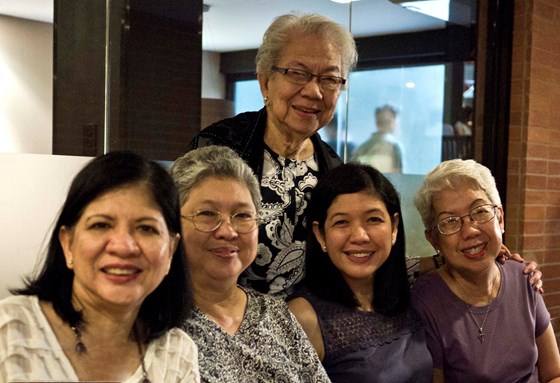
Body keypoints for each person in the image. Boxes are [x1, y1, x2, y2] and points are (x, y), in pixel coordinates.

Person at [187, 13, 358, 297]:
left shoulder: (333, 168)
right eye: (298, 73)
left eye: (329, 79)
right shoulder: (219, 148)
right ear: (265, 82)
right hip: (221, 317)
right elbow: (190, 242)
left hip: (304, 326)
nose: (314, 91)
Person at [0, 151, 200, 382]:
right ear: (68, 244)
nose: (124, 247)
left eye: (146, 228)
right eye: (101, 225)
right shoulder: (10, 330)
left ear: (171, 251)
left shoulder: (176, 354)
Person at [169, 145, 331, 383]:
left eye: (243, 215)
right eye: (207, 214)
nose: (227, 231)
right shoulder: (154, 320)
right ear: (171, 223)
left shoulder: (276, 314)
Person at [411, 159, 560, 382]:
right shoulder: (425, 303)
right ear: (434, 240)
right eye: (450, 221)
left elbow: (554, 374)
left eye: (480, 211)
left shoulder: (523, 277)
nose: (470, 230)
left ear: (500, 218)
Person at [288, 163, 432, 383]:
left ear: (393, 227)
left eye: (373, 219)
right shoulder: (304, 318)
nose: (359, 236)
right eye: (341, 222)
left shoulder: (409, 296)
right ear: (320, 234)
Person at [351, 104, 404, 173]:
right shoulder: (395, 146)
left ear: (377, 123)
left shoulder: (361, 149)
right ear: (392, 122)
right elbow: (399, 177)